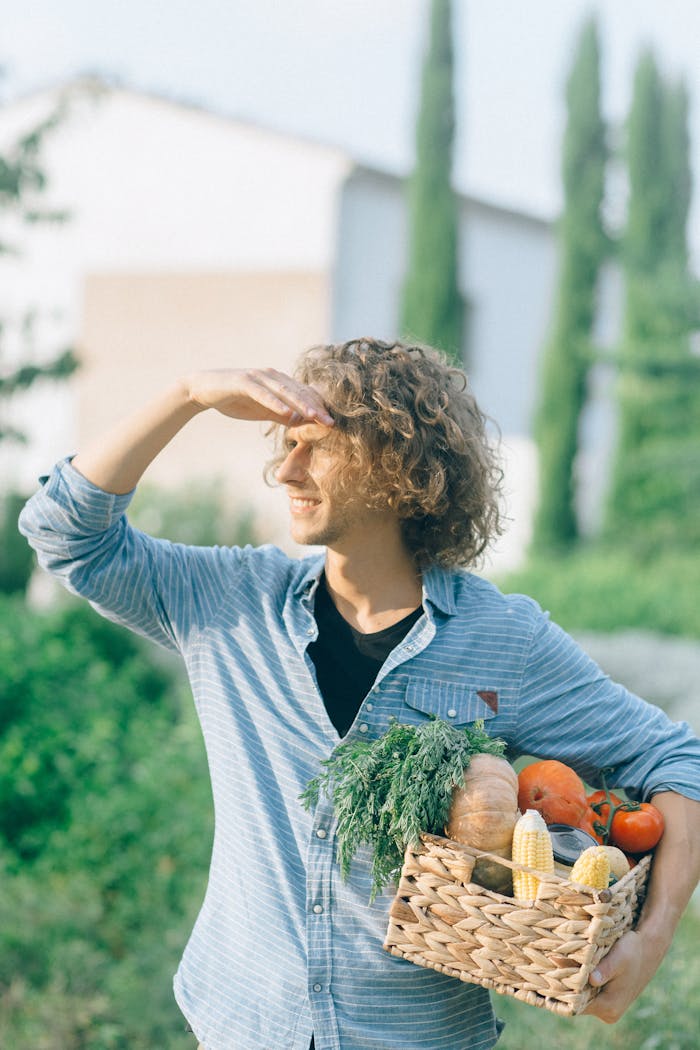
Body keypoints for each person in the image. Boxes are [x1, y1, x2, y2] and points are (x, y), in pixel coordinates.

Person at [19, 337, 700, 1050]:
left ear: (402, 469)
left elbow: (677, 762)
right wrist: (188, 395)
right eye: (284, 446)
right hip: (243, 1027)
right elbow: (63, 533)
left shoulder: (506, 639)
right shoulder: (230, 605)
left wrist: (649, 943)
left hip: (417, 1036)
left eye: (314, 447)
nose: (285, 470)